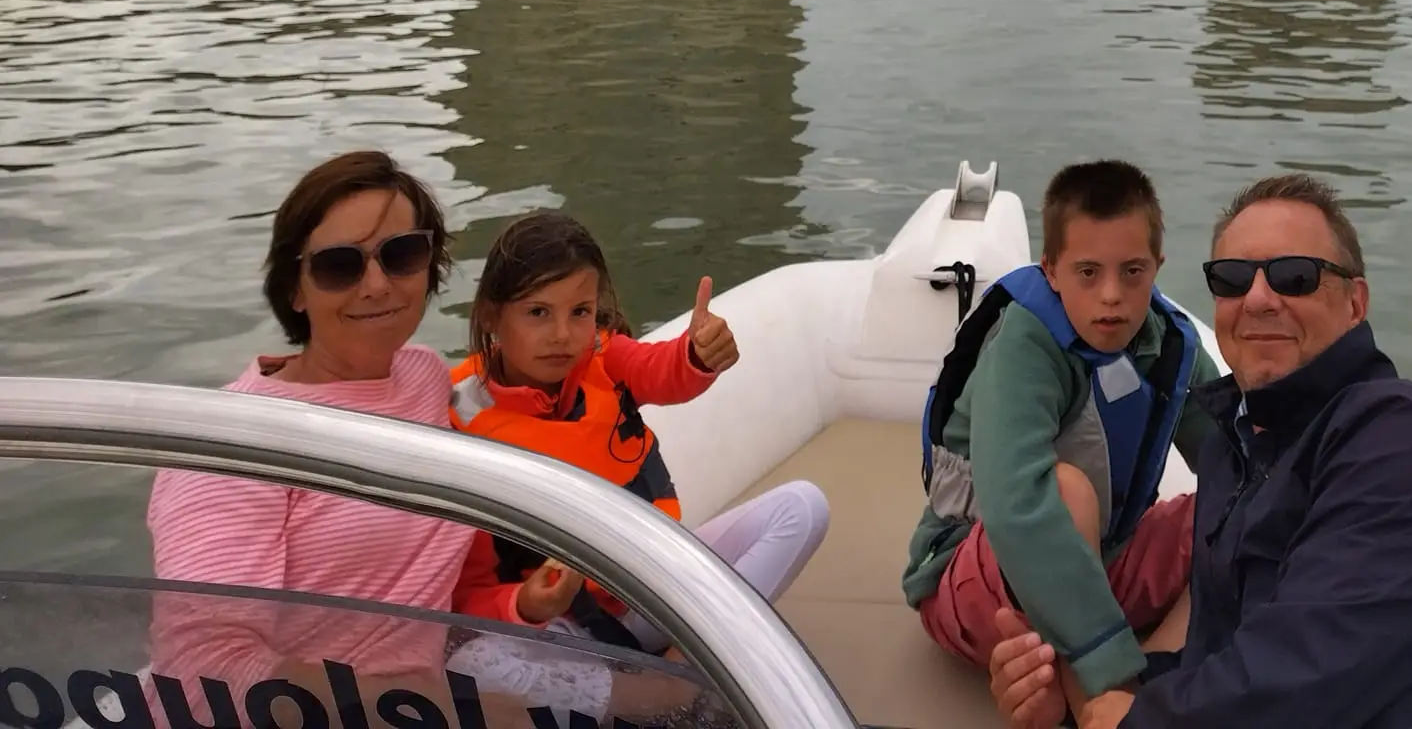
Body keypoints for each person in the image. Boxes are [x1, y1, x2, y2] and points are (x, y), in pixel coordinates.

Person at [989, 173, 1412, 729]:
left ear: (1356, 303)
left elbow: (1306, 672)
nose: (1258, 298)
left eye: (1294, 276)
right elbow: (1224, 661)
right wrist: (1067, 711)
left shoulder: (1406, 441)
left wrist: (1133, 717)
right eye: (1233, 279)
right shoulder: (1238, 454)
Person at [905, 161, 1221, 723]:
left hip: (1105, 563)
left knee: (1237, 508)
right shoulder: (1025, 347)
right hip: (977, 581)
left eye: (1132, 272)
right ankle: (1103, 703)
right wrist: (1107, 663)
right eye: (1087, 272)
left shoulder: (1173, 344)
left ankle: (1155, 671)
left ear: (1157, 268)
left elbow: (1233, 460)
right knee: (1065, 490)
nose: (1111, 296)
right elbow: (1019, 507)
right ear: (1050, 270)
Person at [147, 151, 474, 691]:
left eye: (402, 253)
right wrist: (432, 708)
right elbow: (200, 676)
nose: (375, 284)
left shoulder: (425, 375)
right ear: (295, 288)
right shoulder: (234, 444)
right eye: (338, 266)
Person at [450, 210, 829, 651]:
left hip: (651, 588)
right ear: (492, 317)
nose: (561, 334)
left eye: (580, 312)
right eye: (538, 312)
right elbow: (466, 595)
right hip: (562, 629)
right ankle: (687, 676)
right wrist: (527, 605)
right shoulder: (457, 422)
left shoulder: (604, 359)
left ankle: (688, 674)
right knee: (496, 649)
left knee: (802, 506)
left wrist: (699, 353)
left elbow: (662, 369)